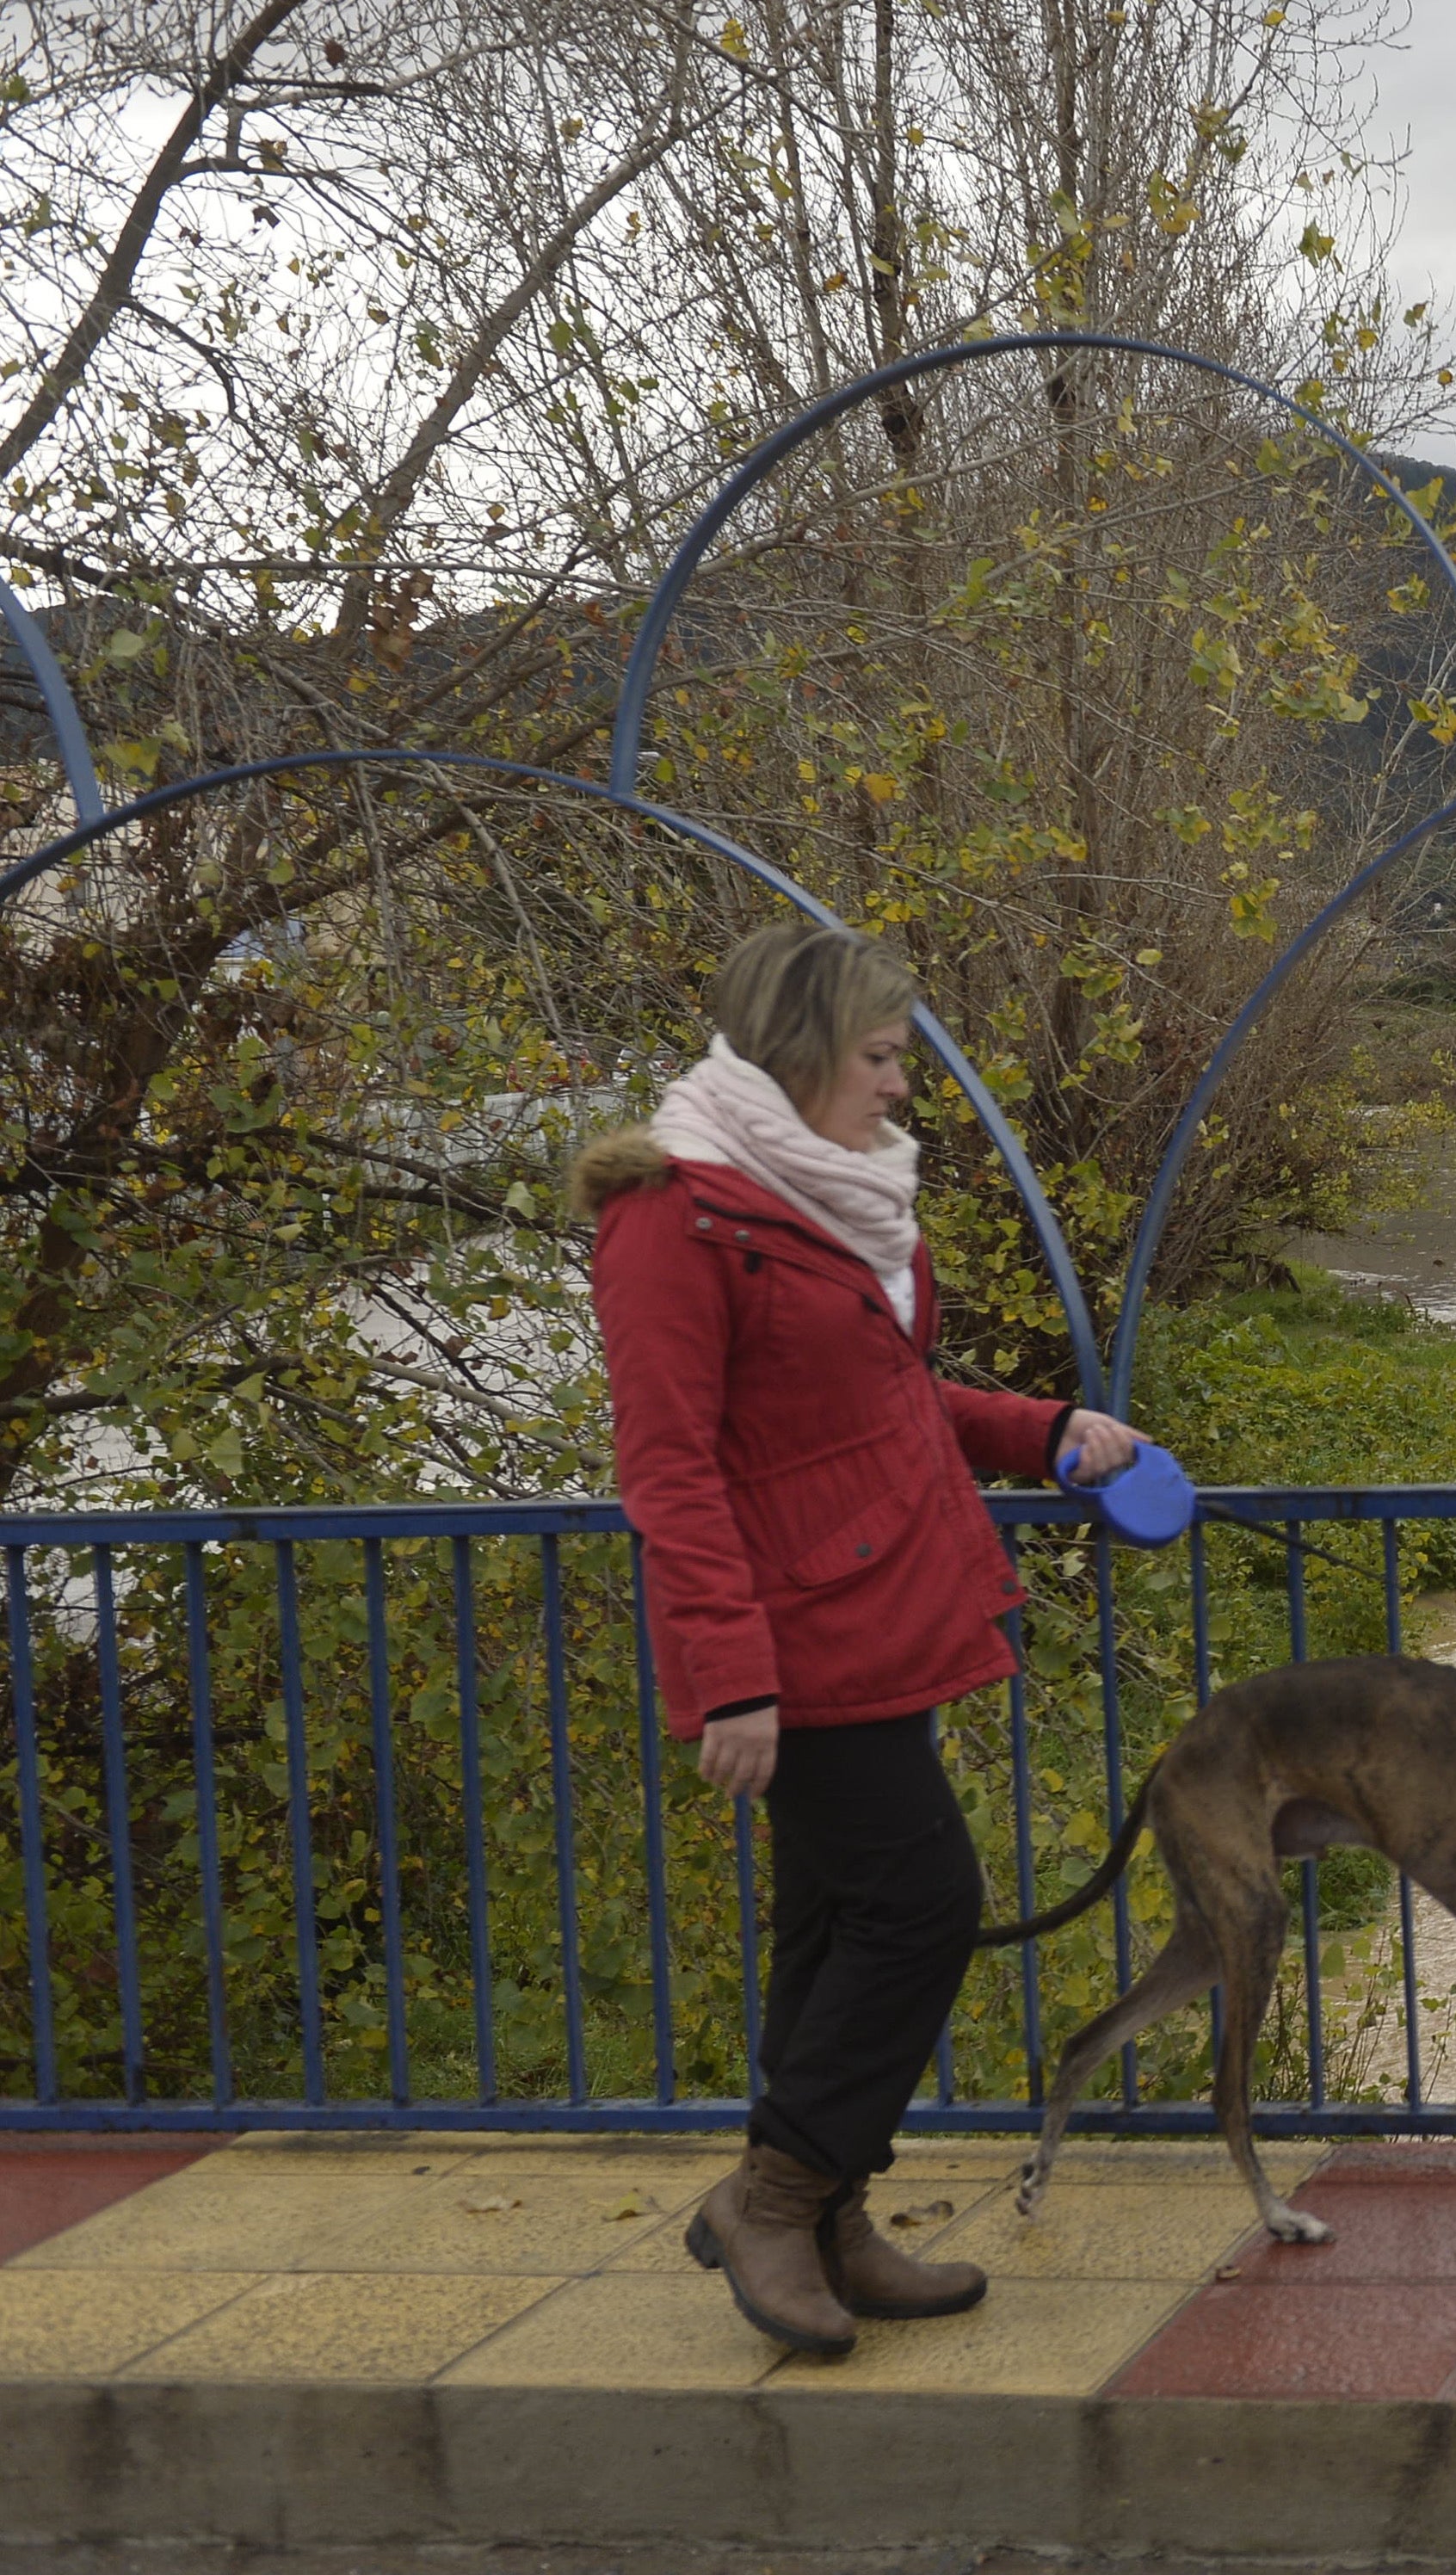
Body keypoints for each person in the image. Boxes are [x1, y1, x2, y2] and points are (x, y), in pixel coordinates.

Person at [569, 919, 1141, 2356]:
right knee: (921, 1904)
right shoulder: (674, 1217)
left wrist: (1041, 1433)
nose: (900, 1087)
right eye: (883, 1057)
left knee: (837, 1918)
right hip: (792, 1643)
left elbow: (886, 1396)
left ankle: (825, 2218)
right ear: (806, 1052)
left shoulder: (828, 1200)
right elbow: (669, 1468)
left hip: (876, 1612)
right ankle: (775, 2196)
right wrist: (732, 1674)